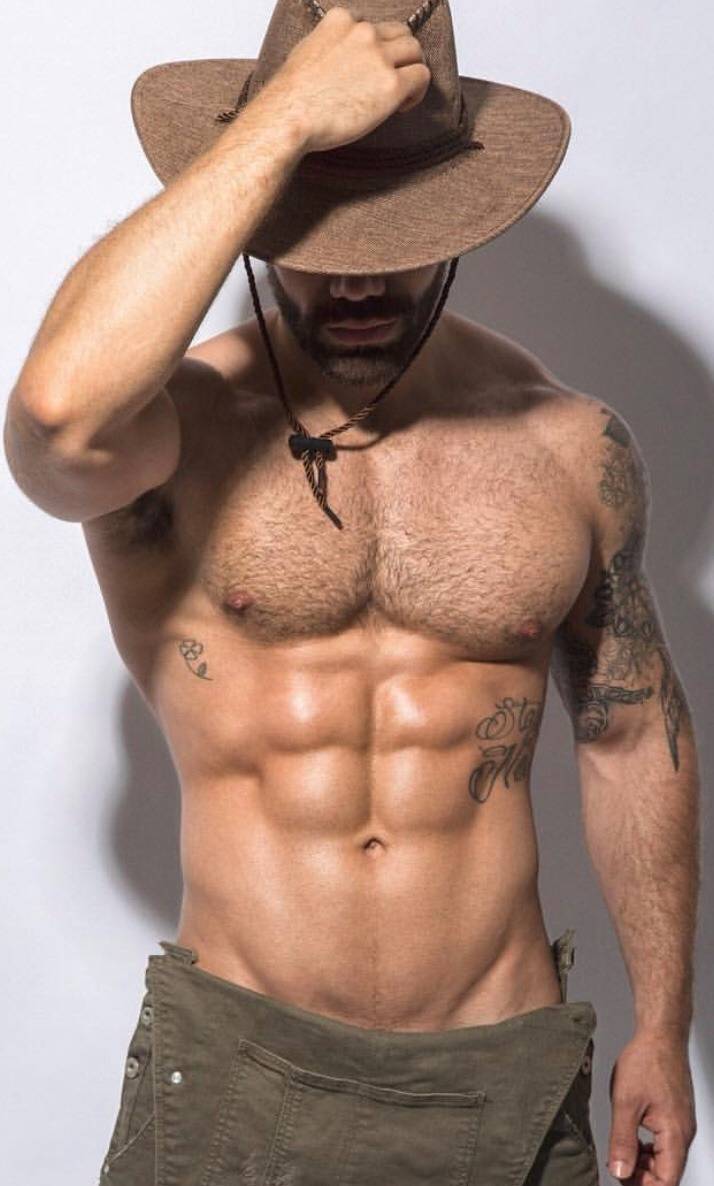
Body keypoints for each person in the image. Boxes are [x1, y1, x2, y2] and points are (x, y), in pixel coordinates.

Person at [4, 3, 700, 1184]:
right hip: (236, 1068)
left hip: (505, 1073)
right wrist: (279, 127)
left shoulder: (568, 446)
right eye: (322, 232)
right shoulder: (172, 436)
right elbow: (55, 414)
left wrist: (664, 1027)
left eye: (401, 233)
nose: (362, 278)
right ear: (262, 215)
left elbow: (632, 737)